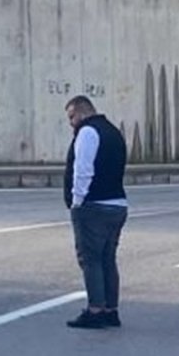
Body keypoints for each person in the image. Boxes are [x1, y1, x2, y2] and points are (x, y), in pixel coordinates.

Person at [62, 95, 129, 329]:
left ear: (82, 112)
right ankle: (111, 310)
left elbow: (83, 170)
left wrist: (77, 202)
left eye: (71, 117)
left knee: (90, 260)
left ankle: (95, 310)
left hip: (94, 206)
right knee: (108, 259)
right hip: (118, 204)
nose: (71, 122)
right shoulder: (113, 131)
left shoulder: (88, 132)